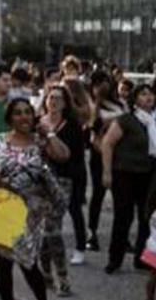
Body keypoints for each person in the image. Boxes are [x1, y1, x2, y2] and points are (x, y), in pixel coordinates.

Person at [0, 98, 68, 300]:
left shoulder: (40, 142)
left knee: (28, 261)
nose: (24, 117)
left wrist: (49, 134)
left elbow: (63, 156)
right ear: (9, 118)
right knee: (2, 263)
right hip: (2, 207)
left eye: (28, 112)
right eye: (18, 113)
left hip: (32, 210)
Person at [99, 82, 155, 274]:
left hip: (147, 174)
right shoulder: (126, 120)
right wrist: (107, 171)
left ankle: (142, 258)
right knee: (124, 217)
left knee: (146, 217)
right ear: (135, 99)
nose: (148, 98)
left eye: (150, 94)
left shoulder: (153, 121)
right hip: (125, 173)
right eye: (143, 94)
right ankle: (115, 259)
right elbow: (107, 143)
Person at [38, 84, 86, 288]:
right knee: (43, 230)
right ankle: (46, 272)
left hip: (63, 180)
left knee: (52, 228)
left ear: (65, 103)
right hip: (39, 181)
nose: (53, 101)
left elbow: (70, 157)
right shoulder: (37, 123)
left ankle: (61, 276)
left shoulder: (72, 126)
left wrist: (50, 136)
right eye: (50, 97)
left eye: (58, 98)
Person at [88, 70, 128, 252]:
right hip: (100, 154)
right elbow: (93, 133)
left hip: (121, 155)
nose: (101, 87)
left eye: (104, 82)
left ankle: (122, 238)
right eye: (97, 84)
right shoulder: (93, 106)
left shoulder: (120, 103)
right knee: (98, 195)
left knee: (123, 199)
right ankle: (92, 233)